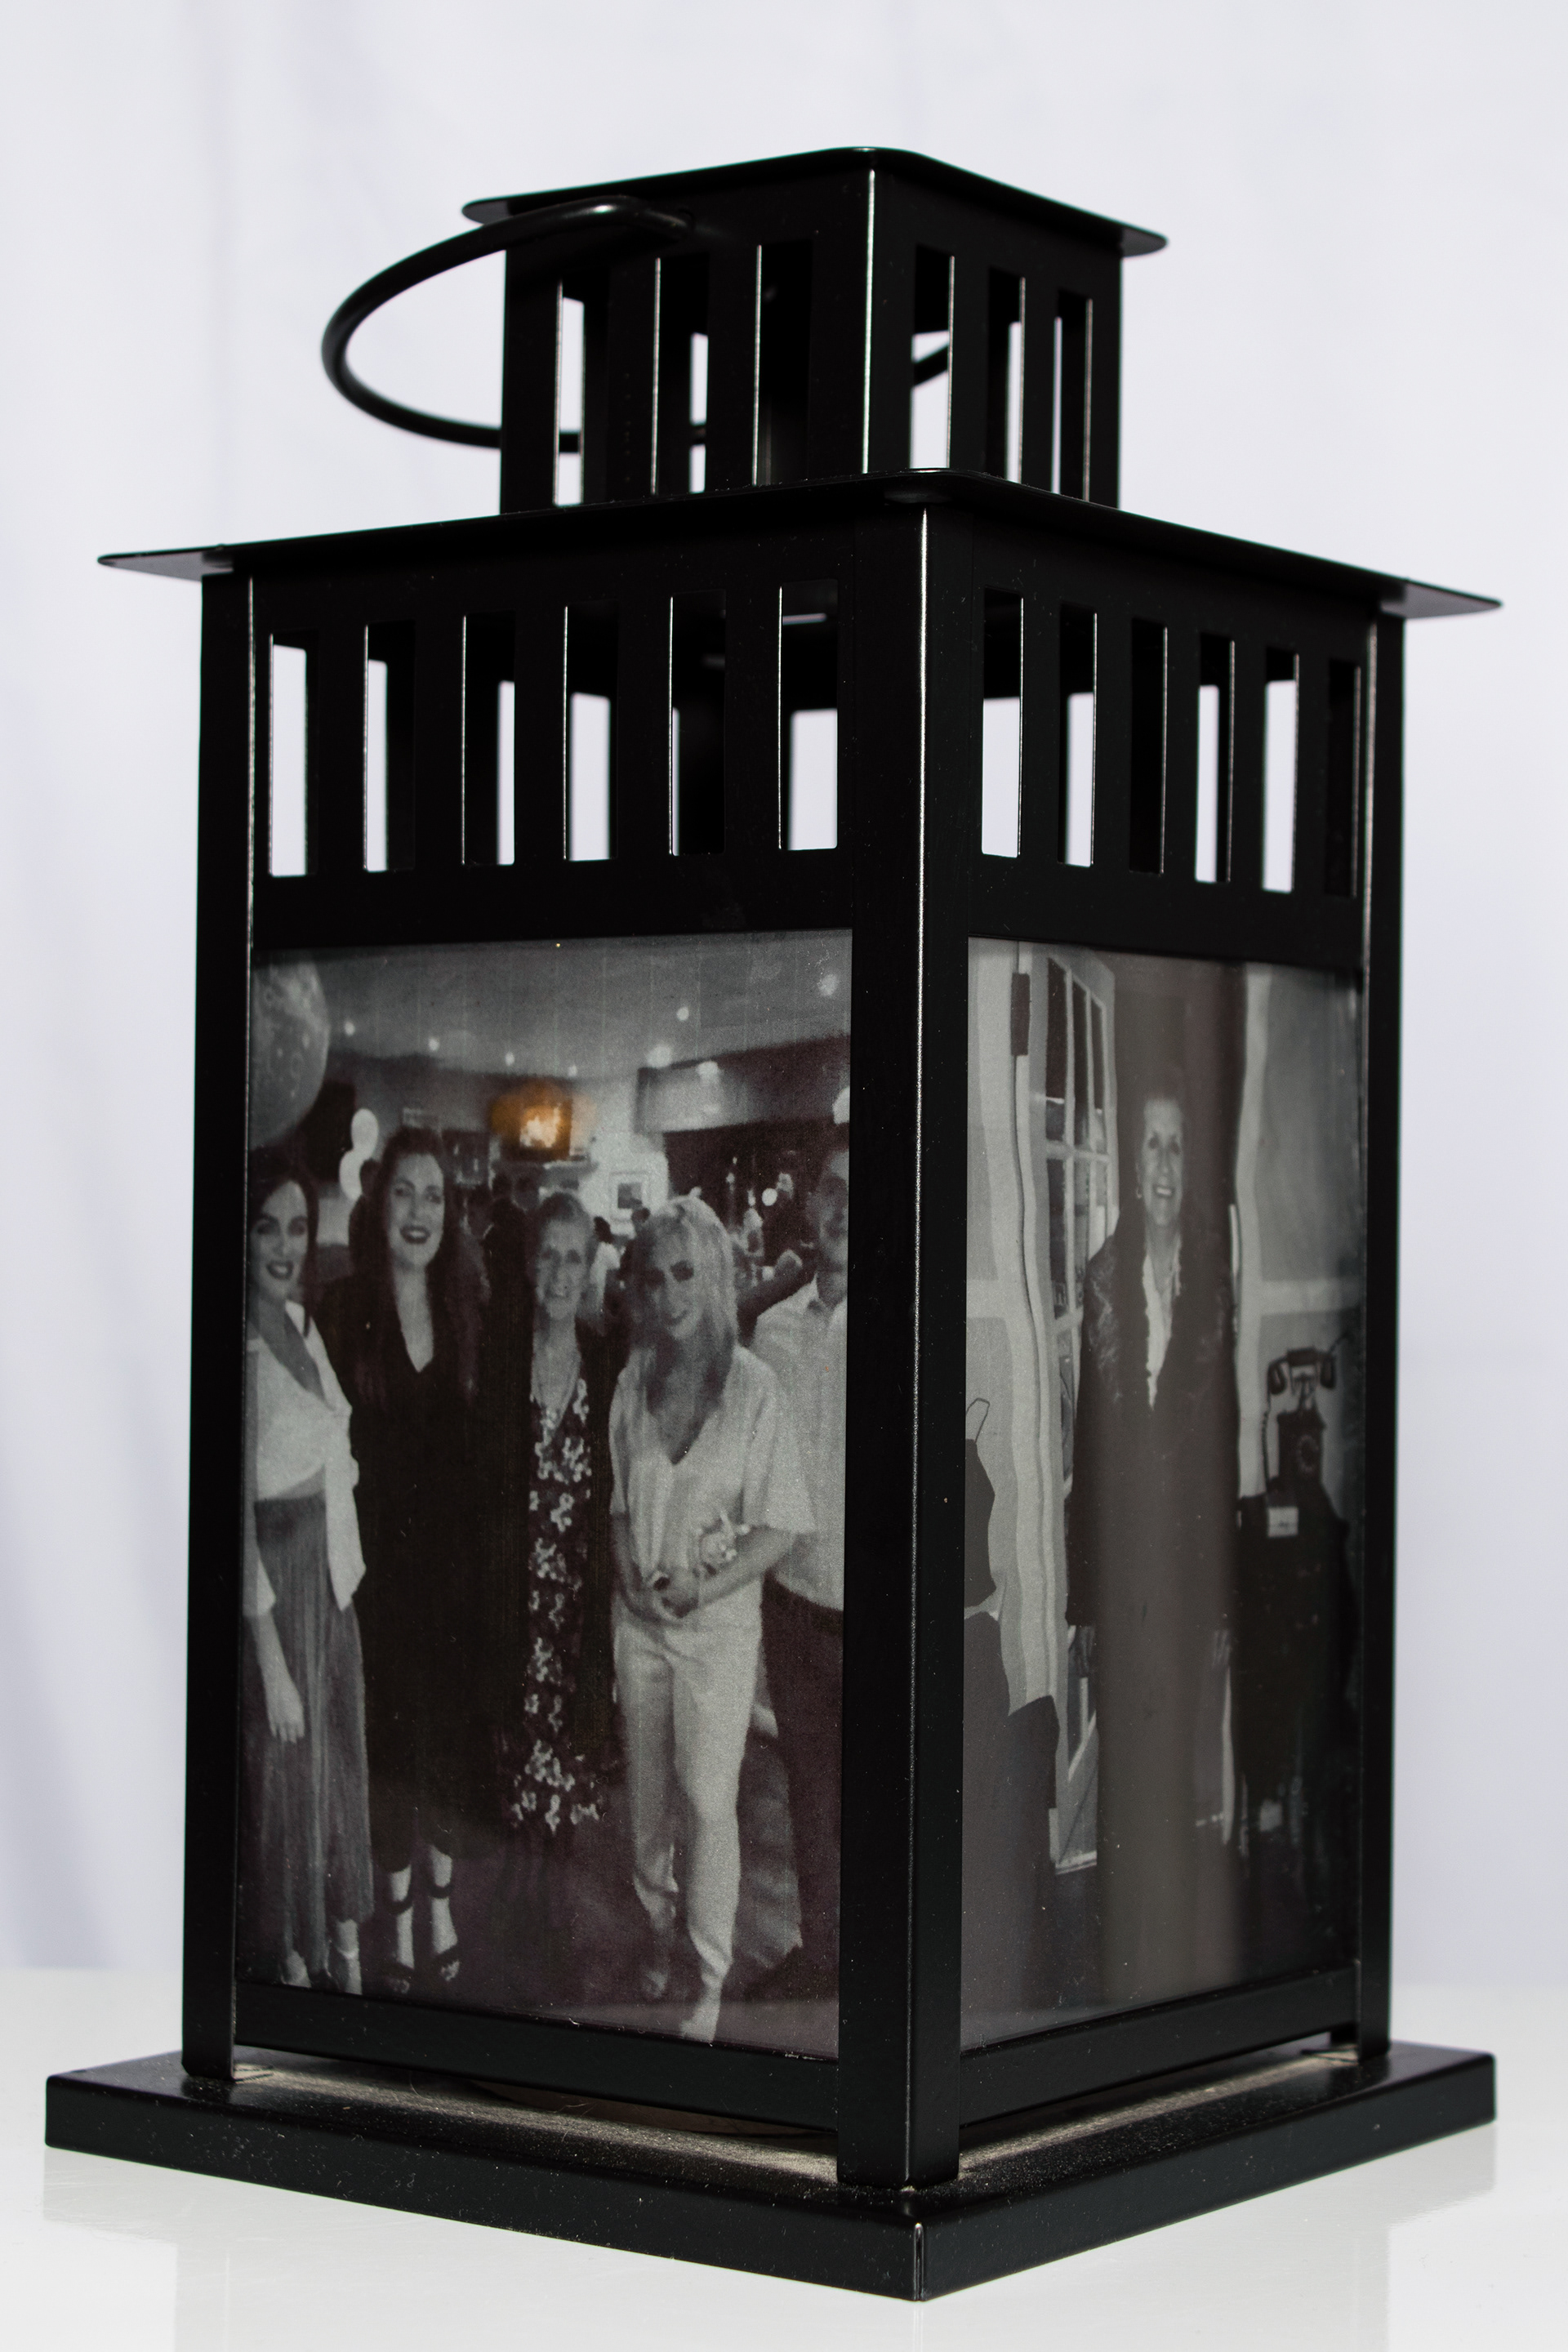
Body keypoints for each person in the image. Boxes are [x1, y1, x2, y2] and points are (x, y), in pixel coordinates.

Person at [609, 1196, 815, 2042]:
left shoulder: (754, 1388)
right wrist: (629, 1579)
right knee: (647, 1802)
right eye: (655, 1279)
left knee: (706, 1798)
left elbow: (781, 1529)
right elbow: (620, 1505)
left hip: (718, 1635)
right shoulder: (634, 1378)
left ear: (718, 1276)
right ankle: (656, 1926)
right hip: (640, 1629)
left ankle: (708, 1974)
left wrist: (707, 1587)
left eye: (686, 1273)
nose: (670, 1295)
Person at [1065, 1073, 1238, 2006]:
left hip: (1190, 1575)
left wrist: (1224, 1595)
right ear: (1132, 1169)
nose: (1164, 1163)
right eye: (1151, 1146)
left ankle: (1167, 1971)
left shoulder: (1213, 1286)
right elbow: (1089, 1457)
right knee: (1127, 1772)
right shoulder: (1100, 1281)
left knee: (1176, 1767)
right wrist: (1086, 1603)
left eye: (1177, 1145)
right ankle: (1116, 1969)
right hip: (1124, 1576)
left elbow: (1221, 1448)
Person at [317, 1128, 487, 1995]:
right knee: (385, 1751)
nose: (420, 1211)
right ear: (379, 1204)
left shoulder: (470, 1312)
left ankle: (441, 1908)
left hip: (452, 1588)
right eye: (405, 1193)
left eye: (435, 1196)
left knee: (447, 1747)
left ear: (451, 1213)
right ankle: (396, 1910)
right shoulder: (342, 1310)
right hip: (375, 1583)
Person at [238, 1147, 372, 1993]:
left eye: (297, 1227)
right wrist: (272, 1663)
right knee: (287, 1783)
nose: (285, 1246)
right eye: (266, 1228)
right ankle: (294, 1962)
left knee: (338, 1770)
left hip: (330, 1576)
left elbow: (335, 1460)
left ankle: (343, 1953)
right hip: (279, 1587)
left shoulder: (302, 1324)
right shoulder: (240, 1347)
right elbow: (232, 1521)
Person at [491, 1192, 617, 1997]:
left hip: (578, 1594)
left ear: (590, 1267)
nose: (561, 1273)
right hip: (518, 1594)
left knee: (569, 1745)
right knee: (517, 1744)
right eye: (549, 1255)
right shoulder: (500, 1358)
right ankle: (521, 1892)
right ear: (529, 1264)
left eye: (575, 1258)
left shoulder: (607, 1362)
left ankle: (554, 1902)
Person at [751, 1138, 849, 2002]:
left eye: (862, 1191)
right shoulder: (774, 1331)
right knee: (810, 1801)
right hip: (792, 1615)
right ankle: (821, 1959)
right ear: (811, 1204)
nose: (846, 1207)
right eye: (832, 1189)